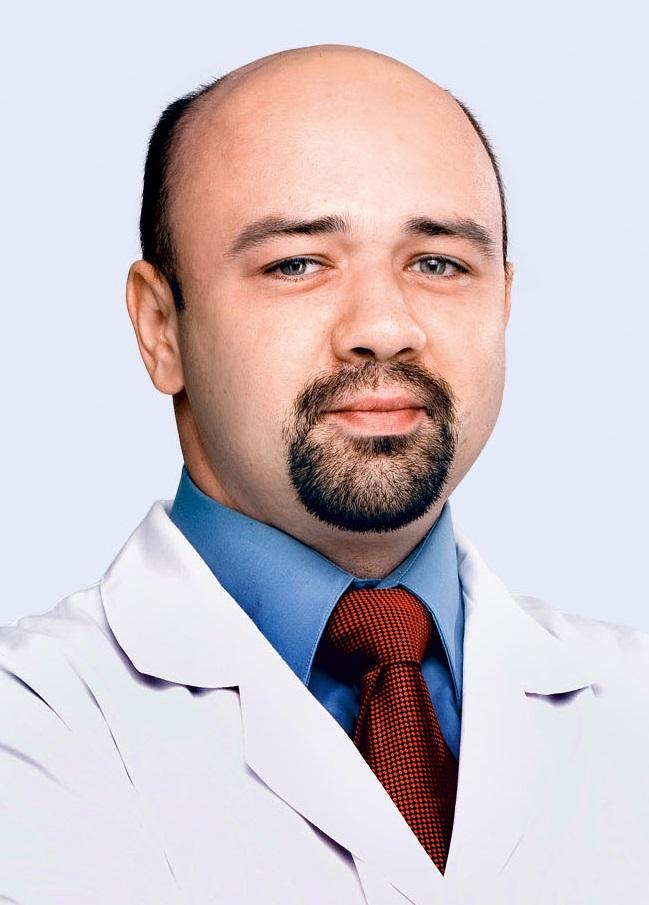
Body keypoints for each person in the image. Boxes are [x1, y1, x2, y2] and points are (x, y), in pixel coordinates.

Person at [1, 43, 647, 905]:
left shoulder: (631, 704)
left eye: (438, 263)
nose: (383, 326)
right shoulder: (31, 727)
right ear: (160, 327)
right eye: (295, 264)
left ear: (502, 301)